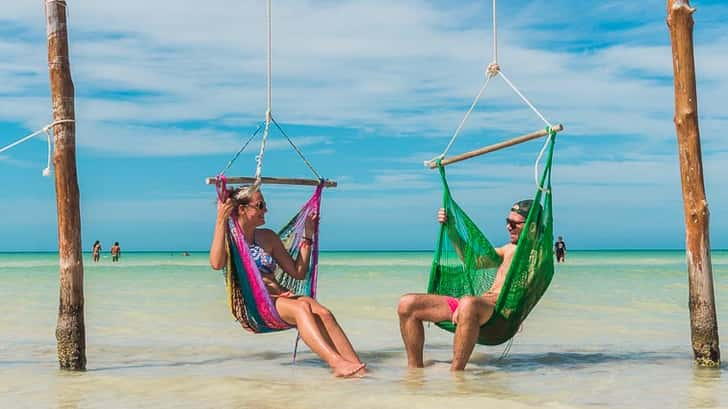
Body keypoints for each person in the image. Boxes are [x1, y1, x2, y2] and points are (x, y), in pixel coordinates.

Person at [209, 185, 367, 377]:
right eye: (260, 205)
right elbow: (217, 264)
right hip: (257, 307)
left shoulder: (268, 237)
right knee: (302, 309)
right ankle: (336, 363)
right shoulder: (230, 240)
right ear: (242, 209)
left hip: (282, 297)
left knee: (324, 313)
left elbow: (298, 272)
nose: (265, 210)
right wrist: (220, 221)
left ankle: (359, 369)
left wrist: (307, 235)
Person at [397, 199, 534, 371]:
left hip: (499, 317)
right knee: (407, 304)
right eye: (508, 222)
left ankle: (456, 376)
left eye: (514, 224)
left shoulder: (537, 257)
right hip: (475, 306)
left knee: (469, 303)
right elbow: (473, 261)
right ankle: (414, 373)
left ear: (531, 226)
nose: (508, 227)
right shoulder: (508, 249)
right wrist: (452, 229)